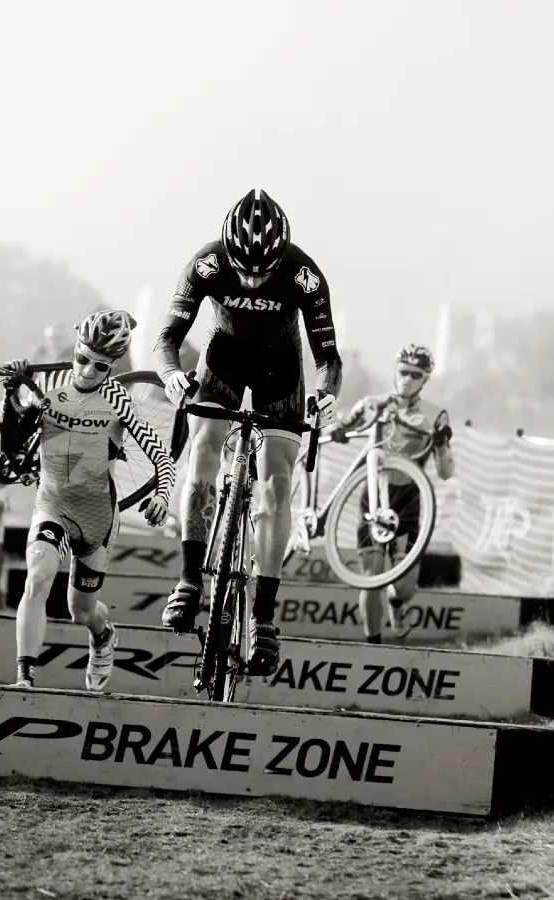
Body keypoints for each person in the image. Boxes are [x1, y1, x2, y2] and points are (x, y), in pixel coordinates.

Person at [154, 188, 343, 675]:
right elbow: (168, 339)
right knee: (201, 456)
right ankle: (190, 578)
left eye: (264, 271)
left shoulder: (304, 273)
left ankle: (263, 618)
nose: (255, 279)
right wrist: (173, 374)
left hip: (281, 369)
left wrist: (326, 395)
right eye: (244, 269)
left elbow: (328, 357)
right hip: (225, 360)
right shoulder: (206, 263)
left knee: (278, 483)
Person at [4, 308, 176, 691]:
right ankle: (24, 678)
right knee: (37, 578)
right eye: (81, 359)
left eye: (99, 367)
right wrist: (11, 393)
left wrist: (163, 497)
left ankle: (102, 635)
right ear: (75, 349)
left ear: (113, 366)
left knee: (80, 611)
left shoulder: (119, 401)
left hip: (97, 518)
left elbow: (163, 458)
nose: (86, 371)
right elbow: (12, 443)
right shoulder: (48, 387)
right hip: (51, 505)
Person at [329, 343, 455, 643]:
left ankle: (397, 603)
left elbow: (447, 472)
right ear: (395, 372)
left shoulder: (435, 414)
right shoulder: (374, 403)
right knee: (370, 580)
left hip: (409, 502)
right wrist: (338, 429)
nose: (408, 379)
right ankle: (373, 643)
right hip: (373, 499)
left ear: (425, 379)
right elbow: (340, 426)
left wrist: (441, 443)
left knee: (405, 587)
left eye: (416, 374)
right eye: (403, 372)